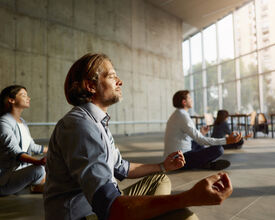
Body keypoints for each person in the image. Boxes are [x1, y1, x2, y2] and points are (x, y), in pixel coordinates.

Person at [44, 53, 233, 220]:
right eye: (111, 76)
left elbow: (121, 168)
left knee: (160, 178)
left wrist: (162, 166)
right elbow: (110, 208)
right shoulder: (80, 126)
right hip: (85, 214)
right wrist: (189, 197)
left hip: (101, 203)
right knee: (185, 217)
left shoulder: (96, 121)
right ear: (90, 86)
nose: (120, 81)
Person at [164, 90, 242, 170]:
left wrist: (201, 133)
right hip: (179, 159)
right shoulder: (183, 116)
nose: (191, 100)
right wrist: (226, 141)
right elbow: (200, 139)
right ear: (184, 102)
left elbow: (185, 137)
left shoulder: (177, 114)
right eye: (189, 98)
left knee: (199, 144)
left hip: (174, 157)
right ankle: (204, 164)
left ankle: (204, 163)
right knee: (219, 149)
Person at [0, 85, 47, 196]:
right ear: (11, 100)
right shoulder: (3, 122)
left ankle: (36, 186)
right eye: (23, 95)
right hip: (6, 178)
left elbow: (33, 147)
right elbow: (15, 152)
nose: (28, 98)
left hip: (20, 172)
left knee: (50, 167)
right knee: (39, 170)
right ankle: (36, 187)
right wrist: (38, 162)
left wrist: (57, 149)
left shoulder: (22, 122)